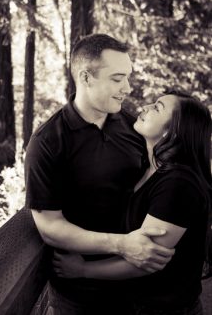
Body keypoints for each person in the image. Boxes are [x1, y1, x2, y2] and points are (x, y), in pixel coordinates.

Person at [25, 34, 175, 315]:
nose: (127, 88)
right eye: (117, 79)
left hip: (138, 286)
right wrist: (122, 245)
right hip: (79, 294)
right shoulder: (47, 142)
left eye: (128, 77)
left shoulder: (136, 127)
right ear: (86, 77)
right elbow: (50, 228)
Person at [53, 91, 212, 315]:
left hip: (166, 309)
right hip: (138, 304)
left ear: (175, 130)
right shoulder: (149, 168)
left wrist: (82, 269)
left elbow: (143, 260)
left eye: (157, 107)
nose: (146, 107)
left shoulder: (178, 184)